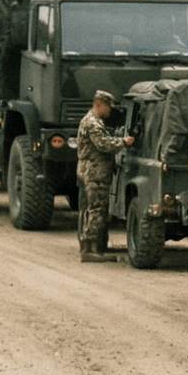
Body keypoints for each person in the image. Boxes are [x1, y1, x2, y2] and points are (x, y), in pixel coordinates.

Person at [75, 90, 134, 263]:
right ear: (100, 104)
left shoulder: (91, 120)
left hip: (91, 171)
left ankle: (89, 246)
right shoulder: (93, 122)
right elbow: (103, 144)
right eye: (108, 107)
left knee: (90, 209)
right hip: (95, 173)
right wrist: (123, 142)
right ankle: (90, 249)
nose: (110, 111)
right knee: (97, 209)